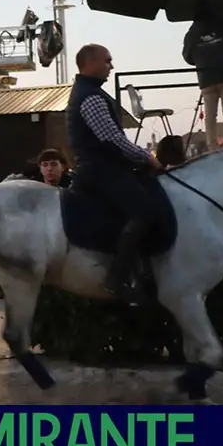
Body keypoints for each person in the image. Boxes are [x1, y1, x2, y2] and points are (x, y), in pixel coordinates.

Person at [66, 44, 165, 304]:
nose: (111, 66)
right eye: (107, 61)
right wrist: (147, 157)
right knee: (145, 211)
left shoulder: (90, 92)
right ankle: (117, 279)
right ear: (90, 63)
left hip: (102, 167)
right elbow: (112, 139)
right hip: (100, 170)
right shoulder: (91, 97)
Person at [182, 0, 223, 148]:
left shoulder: (192, 33)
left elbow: (187, 57)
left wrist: (201, 60)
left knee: (210, 117)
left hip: (206, 77)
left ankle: (212, 148)